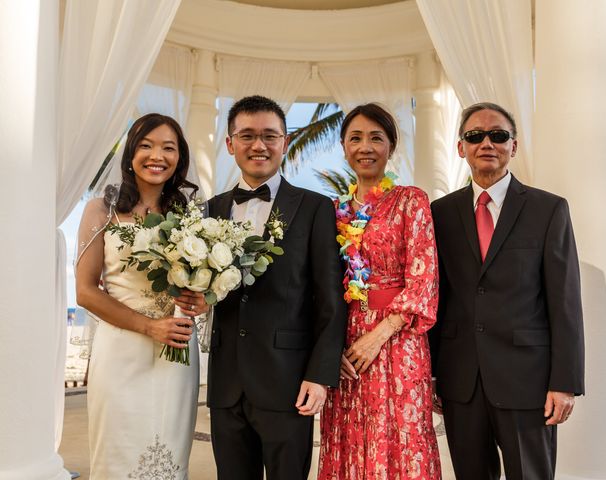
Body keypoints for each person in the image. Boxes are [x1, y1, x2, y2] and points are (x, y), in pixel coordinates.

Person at [429, 102, 585, 479]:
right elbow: (436, 296)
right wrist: (430, 372)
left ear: (513, 146)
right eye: (474, 135)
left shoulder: (548, 210)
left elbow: (564, 301)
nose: (487, 143)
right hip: (460, 380)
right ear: (460, 147)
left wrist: (565, 382)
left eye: (498, 135)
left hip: (527, 380)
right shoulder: (439, 213)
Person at [205, 95, 347, 480]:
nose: (259, 145)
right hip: (226, 384)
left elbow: (329, 299)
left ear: (285, 141)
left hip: (288, 382)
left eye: (270, 135)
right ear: (230, 143)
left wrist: (319, 375)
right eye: (247, 135)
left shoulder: (316, 208)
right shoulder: (210, 210)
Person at [75, 113, 208, 479]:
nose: (157, 156)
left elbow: (205, 284)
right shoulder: (101, 210)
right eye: (146, 146)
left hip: (177, 356)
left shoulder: (193, 215)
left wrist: (204, 300)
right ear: (130, 154)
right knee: (117, 456)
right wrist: (150, 327)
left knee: (168, 459)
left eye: (169, 147)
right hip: (121, 354)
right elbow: (85, 292)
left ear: (180, 157)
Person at [318, 103, 441, 479]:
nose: (365, 146)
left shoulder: (411, 200)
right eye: (355, 138)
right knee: (350, 434)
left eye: (376, 138)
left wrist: (380, 334)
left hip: (398, 340)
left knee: (401, 435)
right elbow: (321, 286)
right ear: (343, 146)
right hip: (347, 345)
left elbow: (424, 277)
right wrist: (330, 349)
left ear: (391, 146)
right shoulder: (332, 211)